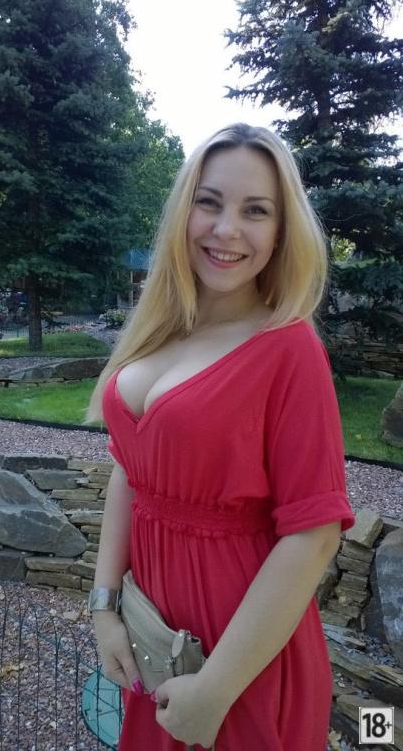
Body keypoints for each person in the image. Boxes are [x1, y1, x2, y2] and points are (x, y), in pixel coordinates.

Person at [85, 123, 356, 751]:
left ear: (281, 231)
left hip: (235, 659)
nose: (226, 229)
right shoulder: (161, 329)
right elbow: (130, 469)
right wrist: (104, 606)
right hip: (154, 638)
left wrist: (217, 687)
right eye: (208, 202)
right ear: (184, 212)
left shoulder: (288, 348)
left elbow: (313, 535)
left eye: (255, 211)